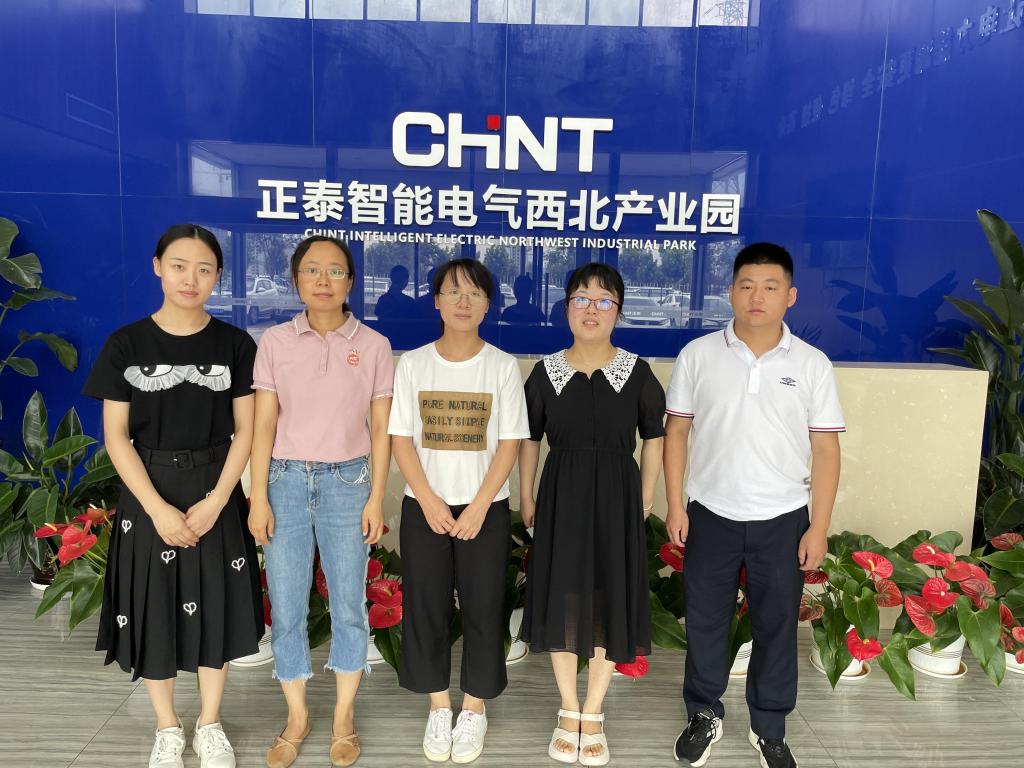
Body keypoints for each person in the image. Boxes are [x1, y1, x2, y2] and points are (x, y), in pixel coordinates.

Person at [83, 224, 263, 768]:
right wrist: (158, 508)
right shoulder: (127, 344)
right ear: (157, 266)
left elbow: (247, 431)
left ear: (218, 276)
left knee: (217, 608)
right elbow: (116, 436)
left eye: (204, 269)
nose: (191, 278)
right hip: (148, 492)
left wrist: (218, 500)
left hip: (216, 489)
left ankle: (210, 723)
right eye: (180, 265)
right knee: (152, 608)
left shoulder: (235, 345)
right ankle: (167, 726)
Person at [664, 243, 843, 768]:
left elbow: (826, 449)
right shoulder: (698, 355)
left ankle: (769, 727)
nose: (756, 296)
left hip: (783, 518)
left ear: (790, 295)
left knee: (776, 626)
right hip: (711, 513)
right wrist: (675, 505)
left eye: (769, 287)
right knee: (705, 622)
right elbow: (677, 433)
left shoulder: (811, 364)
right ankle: (704, 712)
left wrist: (818, 527)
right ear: (730, 292)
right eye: (746, 285)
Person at [248, 236, 394, 768]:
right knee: (286, 605)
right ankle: (297, 717)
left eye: (335, 271)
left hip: (348, 483)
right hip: (284, 482)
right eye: (312, 270)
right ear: (296, 280)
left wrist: (376, 498)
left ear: (351, 281)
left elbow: (381, 430)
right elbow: (264, 424)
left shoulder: (374, 346)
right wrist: (257, 496)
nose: (324, 280)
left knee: (349, 606)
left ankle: (343, 718)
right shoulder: (275, 342)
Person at [520, 263, 665, 766]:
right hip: (561, 494)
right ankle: (568, 708)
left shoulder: (637, 372)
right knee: (563, 594)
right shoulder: (546, 372)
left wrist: (645, 499)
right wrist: (526, 495)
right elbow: (528, 439)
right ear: (566, 308)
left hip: (618, 497)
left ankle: (594, 710)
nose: (592, 309)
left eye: (604, 301)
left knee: (609, 597)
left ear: (617, 312)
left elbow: (654, 437)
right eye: (581, 298)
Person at [388, 258, 530, 764]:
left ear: (488, 304)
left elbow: (510, 443)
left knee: (484, 607)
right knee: (425, 605)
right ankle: (438, 706)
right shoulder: (414, 364)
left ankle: (473, 708)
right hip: (423, 506)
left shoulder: (501, 365)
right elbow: (401, 438)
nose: (464, 302)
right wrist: (427, 498)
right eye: (453, 292)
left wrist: (479, 506)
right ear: (437, 302)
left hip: (484, 508)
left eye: (474, 293)